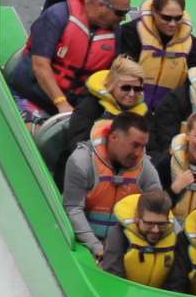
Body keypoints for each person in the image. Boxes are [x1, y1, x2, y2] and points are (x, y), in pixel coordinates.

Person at [4, 0, 131, 117]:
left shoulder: (115, 33)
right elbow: (40, 65)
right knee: (36, 132)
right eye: (120, 13)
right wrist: (61, 103)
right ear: (101, 5)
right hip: (32, 97)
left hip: (75, 105)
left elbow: (111, 75)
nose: (123, 19)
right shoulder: (57, 15)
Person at [63, 111, 162, 258]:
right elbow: (72, 209)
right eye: (135, 145)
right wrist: (97, 248)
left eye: (143, 146)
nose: (138, 153)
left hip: (124, 248)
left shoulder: (145, 168)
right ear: (114, 137)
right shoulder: (81, 161)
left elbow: (159, 210)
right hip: (82, 245)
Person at [117, 0, 196, 107]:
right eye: (166, 18)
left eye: (178, 18)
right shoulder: (130, 32)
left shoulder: (191, 44)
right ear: (153, 11)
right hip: (130, 107)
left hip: (168, 112)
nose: (173, 24)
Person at [63, 57, 147, 162]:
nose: (131, 94)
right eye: (125, 88)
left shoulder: (143, 115)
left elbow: (151, 152)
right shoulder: (90, 107)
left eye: (137, 89)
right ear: (111, 85)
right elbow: (77, 145)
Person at [100, 189, 179, 287]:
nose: (155, 230)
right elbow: (113, 276)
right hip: (125, 293)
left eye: (161, 224)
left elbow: (176, 279)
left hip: (159, 296)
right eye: (149, 224)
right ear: (137, 218)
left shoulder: (175, 237)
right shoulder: (120, 235)